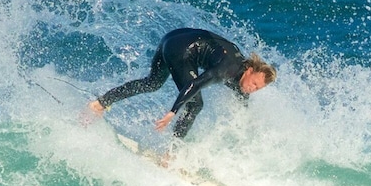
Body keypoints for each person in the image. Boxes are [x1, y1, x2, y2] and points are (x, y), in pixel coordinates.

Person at [87, 28, 277, 138]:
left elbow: (241, 96)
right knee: (196, 104)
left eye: (257, 89)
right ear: (250, 70)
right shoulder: (226, 70)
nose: (252, 89)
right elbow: (195, 85)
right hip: (181, 51)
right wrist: (173, 112)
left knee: (152, 83)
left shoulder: (242, 76)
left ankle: (100, 103)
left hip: (171, 38)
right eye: (254, 83)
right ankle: (171, 153)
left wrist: (246, 121)